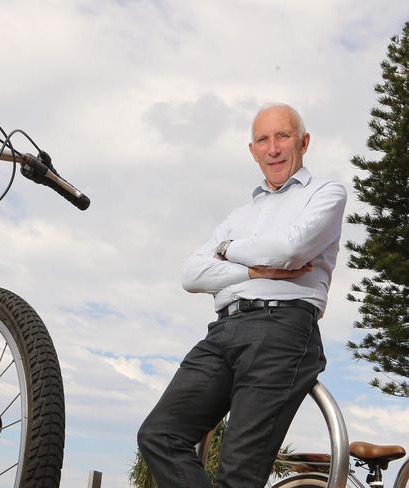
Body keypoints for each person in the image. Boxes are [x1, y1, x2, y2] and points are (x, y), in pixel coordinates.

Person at [137, 103, 347, 487]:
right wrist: (254, 269)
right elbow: (191, 274)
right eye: (263, 140)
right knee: (159, 435)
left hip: (281, 329)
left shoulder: (326, 194)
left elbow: (291, 249)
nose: (273, 148)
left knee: (238, 471)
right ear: (252, 150)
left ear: (304, 141)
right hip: (222, 331)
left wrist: (228, 250)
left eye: (282, 136)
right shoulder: (238, 215)